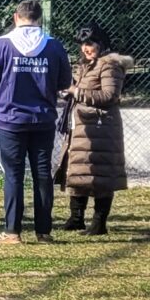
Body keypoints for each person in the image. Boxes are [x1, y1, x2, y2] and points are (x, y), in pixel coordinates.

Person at [0, 0, 69, 244]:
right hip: (43, 118)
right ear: (39, 19)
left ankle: (12, 232)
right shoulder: (53, 45)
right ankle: (43, 232)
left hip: (11, 119)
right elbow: (64, 82)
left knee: (13, 174)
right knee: (42, 174)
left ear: (15, 17)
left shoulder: (3, 45)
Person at [59, 25, 128, 235]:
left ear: (101, 44)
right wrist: (68, 93)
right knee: (78, 170)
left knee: (100, 175)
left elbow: (109, 96)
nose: (86, 48)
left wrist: (76, 91)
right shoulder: (85, 66)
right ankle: (76, 218)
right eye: (83, 44)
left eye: (90, 43)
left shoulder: (110, 65)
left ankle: (99, 223)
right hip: (82, 126)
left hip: (101, 127)